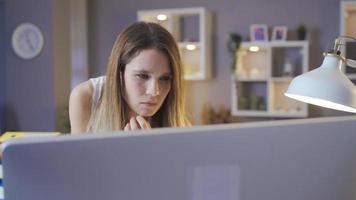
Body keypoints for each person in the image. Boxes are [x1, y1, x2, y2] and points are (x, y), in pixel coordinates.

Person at [69, 22, 191, 134]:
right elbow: (80, 157)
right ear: (119, 72)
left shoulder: (175, 118)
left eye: (164, 78)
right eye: (142, 76)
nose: (154, 92)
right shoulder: (87, 96)